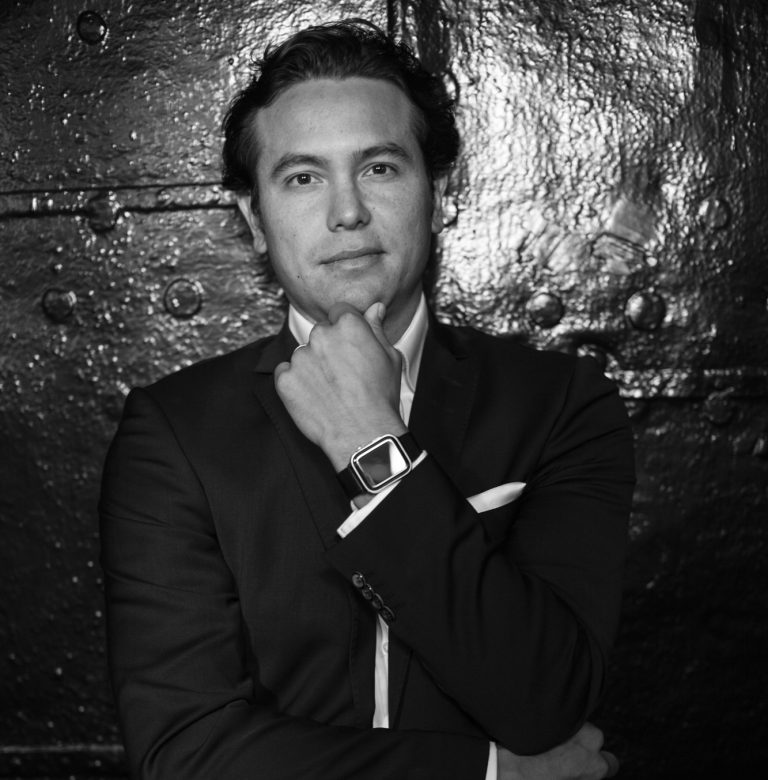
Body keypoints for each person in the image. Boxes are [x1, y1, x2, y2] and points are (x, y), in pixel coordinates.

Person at [99, 19, 635, 780]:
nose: (346, 211)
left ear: (436, 195)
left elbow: (546, 699)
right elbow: (184, 750)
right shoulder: (176, 433)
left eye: (379, 167)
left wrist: (369, 443)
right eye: (303, 177)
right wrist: (488, 773)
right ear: (255, 220)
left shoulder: (559, 404)